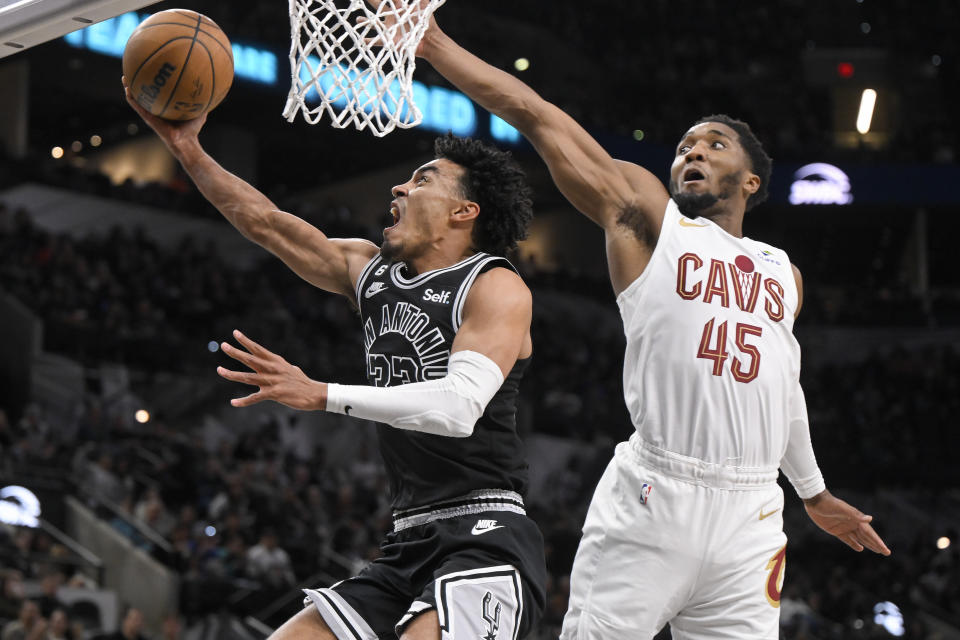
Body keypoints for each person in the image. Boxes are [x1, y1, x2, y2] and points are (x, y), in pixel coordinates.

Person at [406, 8, 892, 639]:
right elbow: (536, 114)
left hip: (752, 515)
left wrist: (814, 492)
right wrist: (436, 44)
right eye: (686, 145)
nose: (693, 150)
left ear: (750, 180)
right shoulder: (650, 221)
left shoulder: (783, 273)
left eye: (714, 143)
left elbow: (783, 384)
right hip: (656, 496)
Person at [123, 77, 546, 640]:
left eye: (422, 180)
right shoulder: (369, 273)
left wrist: (321, 393)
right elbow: (267, 223)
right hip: (407, 536)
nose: (398, 187)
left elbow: (459, 406)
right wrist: (188, 151)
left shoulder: (494, 285)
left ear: (463, 212)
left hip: (485, 529)